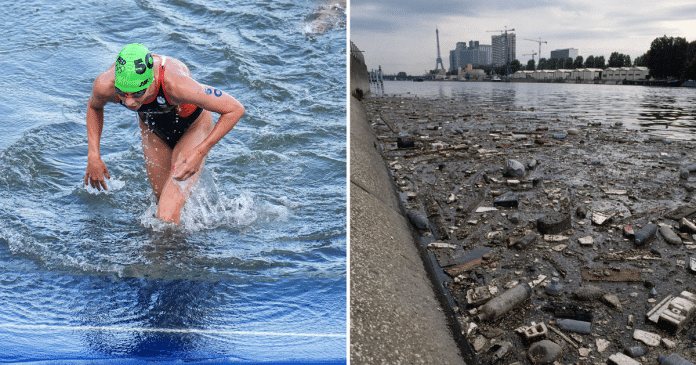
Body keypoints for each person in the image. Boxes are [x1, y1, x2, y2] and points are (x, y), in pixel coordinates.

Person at [84, 43, 245, 225]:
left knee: (166, 214)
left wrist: (200, 152)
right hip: (153, 128)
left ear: (150, 81)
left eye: (137, 94)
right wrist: (94, 155)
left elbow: (235, 109)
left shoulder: (176, 85)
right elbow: (94, 106)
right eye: (123, 93)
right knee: (161, 203)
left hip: (193, 126)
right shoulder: (105, 85)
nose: (129, 102)